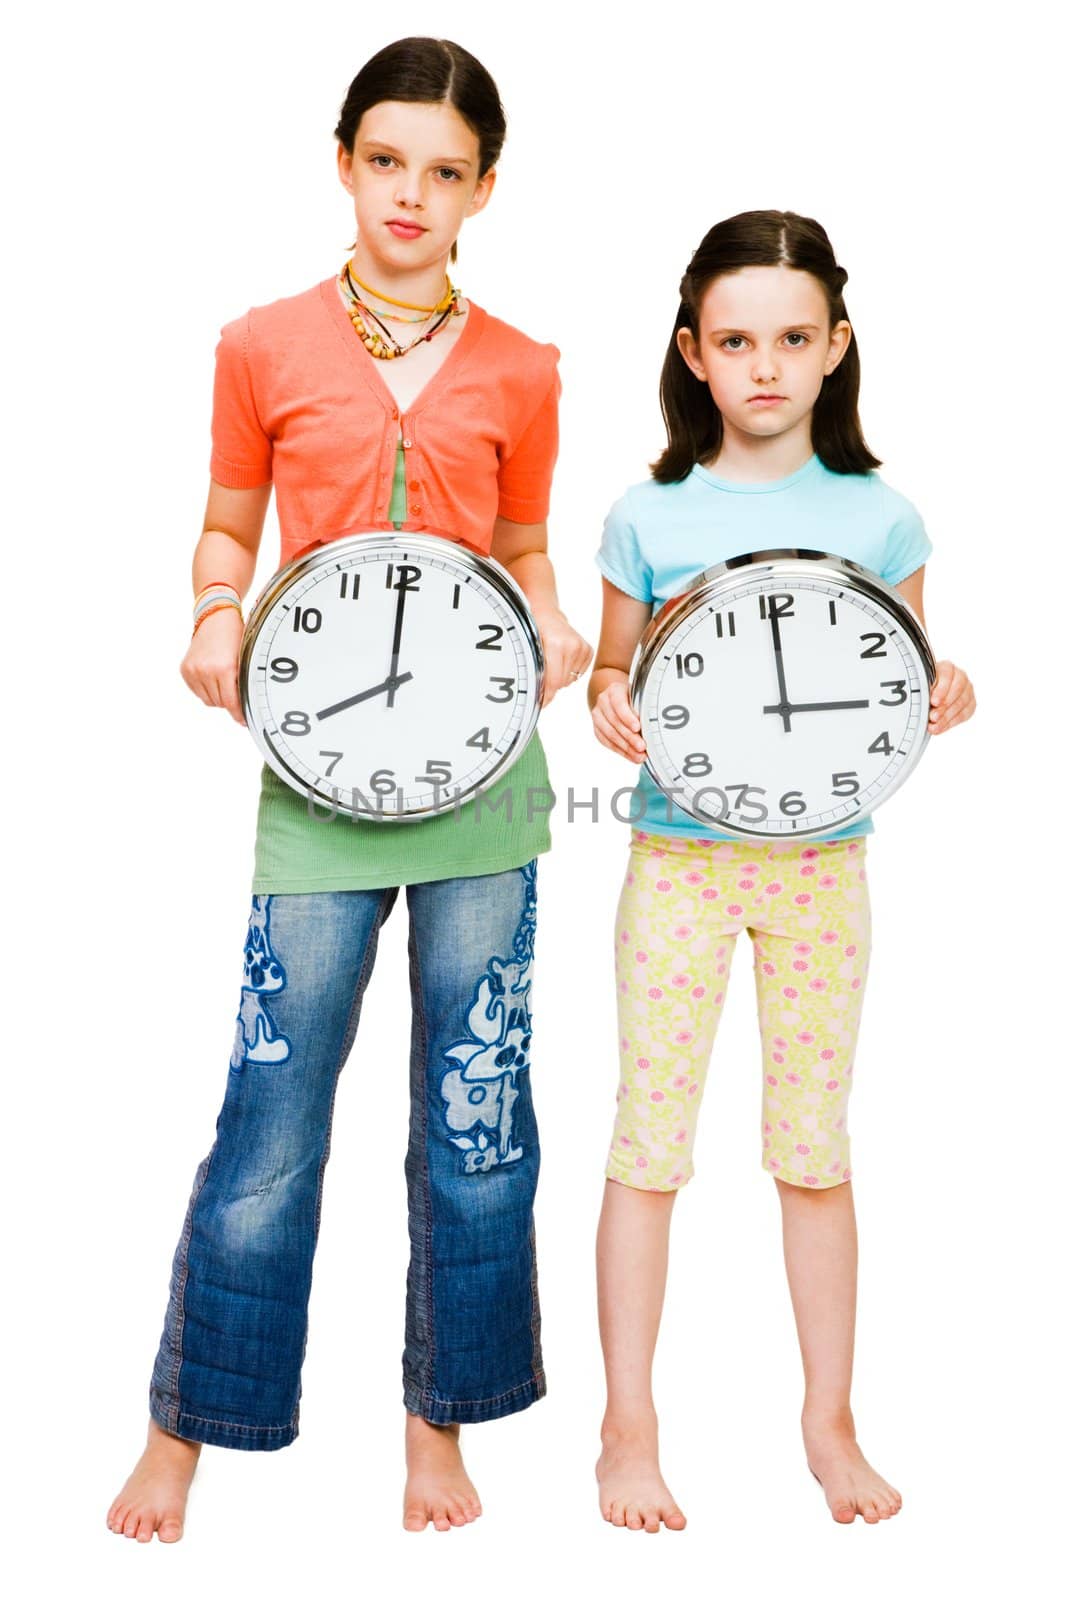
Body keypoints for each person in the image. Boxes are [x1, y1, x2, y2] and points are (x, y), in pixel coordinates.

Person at [107, 36, 591, 1543]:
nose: (412, 193)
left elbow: (522, 555)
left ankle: (437, 1431)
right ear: (344, 162)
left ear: (483, 191)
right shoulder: (261, 344)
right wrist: (205, 616)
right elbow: (224, 532)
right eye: (388, 160)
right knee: (270, 1109)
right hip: (316, 786)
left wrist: (560, 623)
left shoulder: (525, 367)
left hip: (484, 792)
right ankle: (191, 1424)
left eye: (446, 171)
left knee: (474, 1109)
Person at [587, 210, 975, 1533]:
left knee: (812, 1150)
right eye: (737, 339)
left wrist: (949, 687)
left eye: (793, 339)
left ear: (835, 348)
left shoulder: (882, 514)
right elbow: (612, 665)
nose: (766, 365)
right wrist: (607, 700)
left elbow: (904, 677)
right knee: (650, 1142)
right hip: (682, 864)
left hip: (820, 870)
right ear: (694, 353)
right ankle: (627, 1425)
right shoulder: (652, 512)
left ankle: (830, 1419)